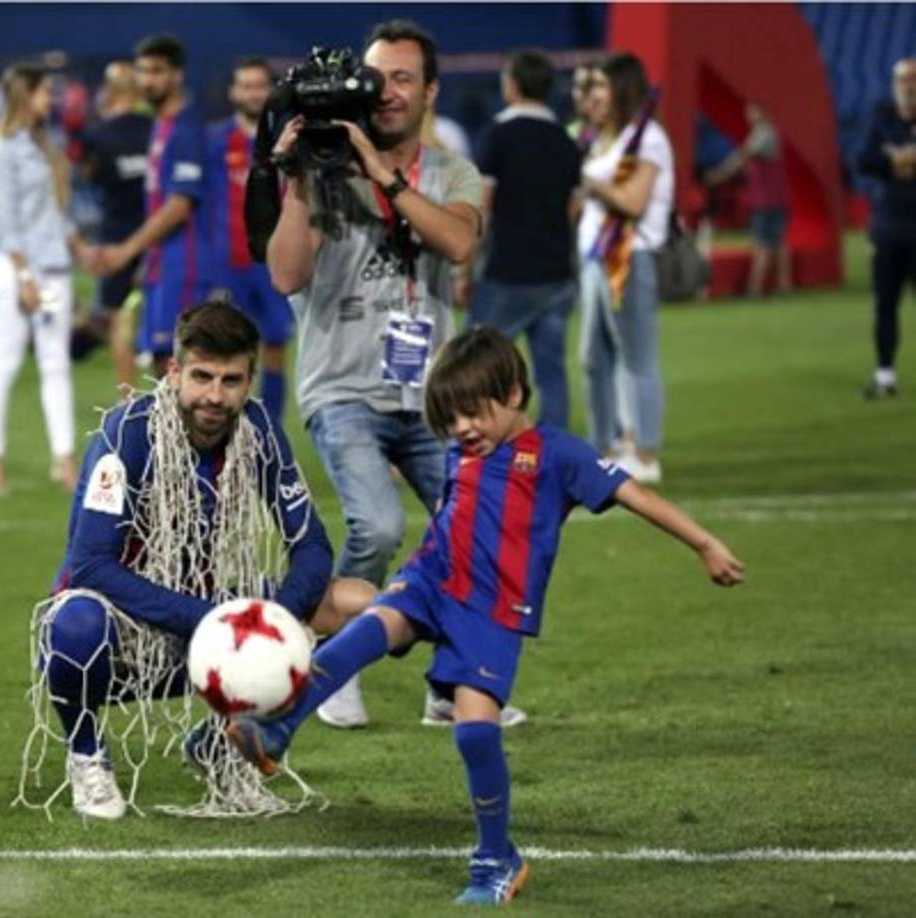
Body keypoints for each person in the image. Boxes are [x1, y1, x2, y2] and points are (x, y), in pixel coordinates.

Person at [227, 326, 745, 905]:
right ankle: (275, 728)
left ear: (515, 394)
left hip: (492, 612)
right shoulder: (461, 447)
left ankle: (497, 858)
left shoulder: (559, 454)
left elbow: (636, 496)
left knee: (475, 734)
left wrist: (704, 544)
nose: (461, 430)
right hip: (430, 581)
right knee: (363, 637)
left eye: (472, 414)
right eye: (451, 420)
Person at [37, 299, 355, 819]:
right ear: (174, 371)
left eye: (231, 381)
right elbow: (90, 565)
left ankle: (222, 741)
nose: (214, 396)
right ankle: (87, 754)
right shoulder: (127, 432)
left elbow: (313, 547)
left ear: (250, 380)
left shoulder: (259, 430)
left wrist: (274, 621)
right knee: (73, 625)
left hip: (210, 622)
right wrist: (213, 619)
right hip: (125, 630)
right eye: (201, 376)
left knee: (353, 604)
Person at [266, 19, 494, 729]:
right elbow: (284, 274)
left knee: (470, 537)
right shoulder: (322, 165)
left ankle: (444, 685)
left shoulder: (451, 169)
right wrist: (301, 181)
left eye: (402, 78)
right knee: (378, 520)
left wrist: (382, 173)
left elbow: (455, 241)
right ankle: (333, 659)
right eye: (376, 78)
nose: (386, 92)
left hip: (430, 393)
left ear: (429, 90)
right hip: (341, 387)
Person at [0, 63, 94, 497]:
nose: (53, 99)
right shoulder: (3, 150)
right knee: (4, 361)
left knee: (55, 363)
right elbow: (7, 222)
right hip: (17, 268)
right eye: (46, 92)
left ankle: (64, 462)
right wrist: (24, 275)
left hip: (53, 269)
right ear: (25, 95)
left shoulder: (45, 146)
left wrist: (82, 250)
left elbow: (53, 216)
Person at [472, 49, 583, 430]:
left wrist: (466, 263)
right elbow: (574, 210)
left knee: (474, 363)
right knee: (551, 372)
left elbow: (482, 207)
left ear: (513, 86)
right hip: (557, 273)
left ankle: (473, 443)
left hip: (509, 272)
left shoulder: (498, 135)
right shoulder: (565, 141)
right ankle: (553, 452)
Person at [577, 52, 674, 484]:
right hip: (595, 259)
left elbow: (634, 201)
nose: (591, 95)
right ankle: (606, 444)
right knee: (595, 358)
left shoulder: (647, 138)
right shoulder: (604, 139)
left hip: (629, 257)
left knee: (637, 357)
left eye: (599, 85)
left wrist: (589, 183)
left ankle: (646, 452)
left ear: (621, 89)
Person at [95, 35, 215, 376]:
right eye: (143, 71)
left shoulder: (186, 129)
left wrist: (126, 251)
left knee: (182, 368)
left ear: (177, 75)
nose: (148, 80)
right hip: (162, 264)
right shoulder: (159, 126)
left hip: (185, 265)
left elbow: (180, 204)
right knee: (165, 368)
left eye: (157, 71)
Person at [207, 57, 294, 423]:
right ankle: (225, 434)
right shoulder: (214, 141)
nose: (252, 92)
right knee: (224, 354)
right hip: (229, 265)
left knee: (275, 347)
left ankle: (267, 434)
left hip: (274, 265)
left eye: (259, 85)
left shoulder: (289, 139)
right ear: (233, 91)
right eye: (245, 85)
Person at [72, 59, 152, 385]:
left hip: (116, 233)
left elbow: (88, 175)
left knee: (118, 315)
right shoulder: (156, 130)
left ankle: (127, 398)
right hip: (159, 231)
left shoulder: (96, 136)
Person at [857, 57, 916, 400]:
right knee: (885, 303)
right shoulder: (882, 116)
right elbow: (863, 159)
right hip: (890, 225)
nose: (908, 88)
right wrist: (896, 162)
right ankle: (884, 374)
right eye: (903, 81)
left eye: (913, 81)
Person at [703, 102, 791, 297]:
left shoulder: (763, 135)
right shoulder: (766, 133)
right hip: (773, 197)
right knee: (777, 243)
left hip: (767, 199)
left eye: (753, 109)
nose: (748, 114)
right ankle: (784, 285)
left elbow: (741, 157)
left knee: (764, 243)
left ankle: (756, 287)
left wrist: (717, 175)